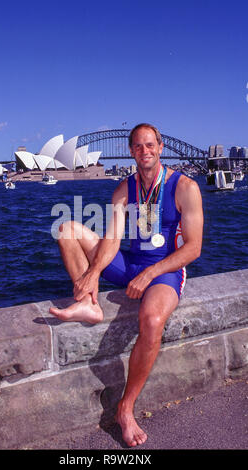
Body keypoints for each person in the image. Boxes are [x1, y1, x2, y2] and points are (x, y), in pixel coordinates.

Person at [49, 123, 203, 447]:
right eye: (138, 147)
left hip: (165, 270)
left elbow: (193, 248)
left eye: (150, 145)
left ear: (161, 147)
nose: (144, 152)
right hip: (130, 263)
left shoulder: (184, 187)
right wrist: (93, 274)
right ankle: (90, 303)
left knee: (151, 320)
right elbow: (112, 238)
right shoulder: (123, 189)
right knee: (66, 229)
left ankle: (126, 408)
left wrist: (150, 274)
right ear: (131, 151)